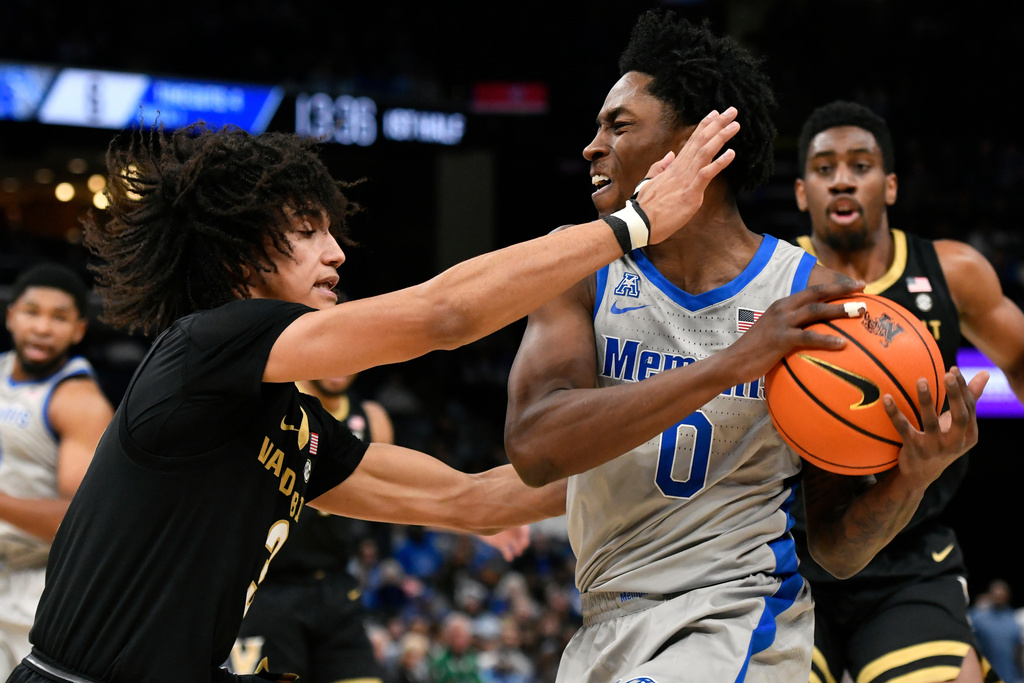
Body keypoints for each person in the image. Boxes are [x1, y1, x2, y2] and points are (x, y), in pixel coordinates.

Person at [6, 101, 756, 683]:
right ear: (238, 247)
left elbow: (476, 500)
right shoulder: (203, 346)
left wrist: (710, 440)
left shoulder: (293, 429)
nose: (335, 251)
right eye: (307, 229)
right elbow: (443, 315)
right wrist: (636, 222)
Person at [502, 11, 987, 683]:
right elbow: (533, 445)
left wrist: (911, 477)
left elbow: (836, 545)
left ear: (699, 139)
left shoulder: (809, 293)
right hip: (605, 618)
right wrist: (731, 363)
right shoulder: (580, 267)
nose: (591, 146)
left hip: (738, 621)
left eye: (618, 125)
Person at [790, 99, 1024, 683]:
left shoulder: (951, 270)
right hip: (785, 551)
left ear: (890, 185)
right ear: (801, 193)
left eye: (860, 164)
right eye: (824, 168)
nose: (842, 179)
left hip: (911, 553)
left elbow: (1019, 359)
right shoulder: (772, 274)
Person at [228, 373, 531, 683]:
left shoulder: (372, 417)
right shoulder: (276, 402)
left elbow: (398, 497)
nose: (341, 364)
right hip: (268, 589)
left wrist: (479, 521)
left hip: (334, 586)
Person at [0, 263, 114, 680]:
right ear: (11, 315)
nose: (43, 328)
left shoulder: (80, 402)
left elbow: (79, 520)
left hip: (40, 589)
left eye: (59, 317)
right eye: (32, 312)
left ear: (79, 330)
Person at [969, 580, 1023, 683]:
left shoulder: (1013, 619)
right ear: (990, 595)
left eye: (1002, 594)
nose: (999, 597)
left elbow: (1018, 649)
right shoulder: (979, 618)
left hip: (1010, 675)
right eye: (996, 594)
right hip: (987, 672)